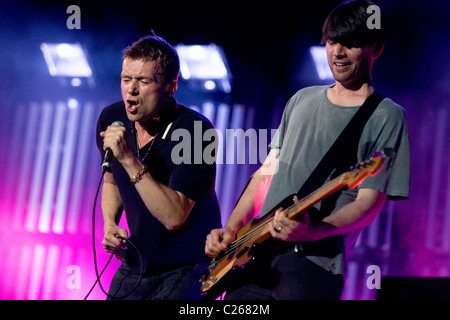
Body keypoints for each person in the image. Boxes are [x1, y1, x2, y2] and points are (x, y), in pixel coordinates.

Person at [205, 0, 410, 300]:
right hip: (255, 257)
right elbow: (266, 173)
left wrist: (311, 231)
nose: (337, 52)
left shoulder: (386, 115)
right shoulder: (301, 99)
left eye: (350, 43)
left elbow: (369, 204)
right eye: (332, 41)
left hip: (313, 264)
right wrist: (232, 230)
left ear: (376, 48)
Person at [96, 34, 221, 300]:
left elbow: (174, 217)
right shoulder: (112, 118)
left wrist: (130, 159)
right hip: (138, 261)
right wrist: (109, 224)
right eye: (126, 78)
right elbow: (111, 180)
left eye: (143, 81)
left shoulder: (196, 132)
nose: (131, 89)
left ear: (169, 87)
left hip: (188, 267)